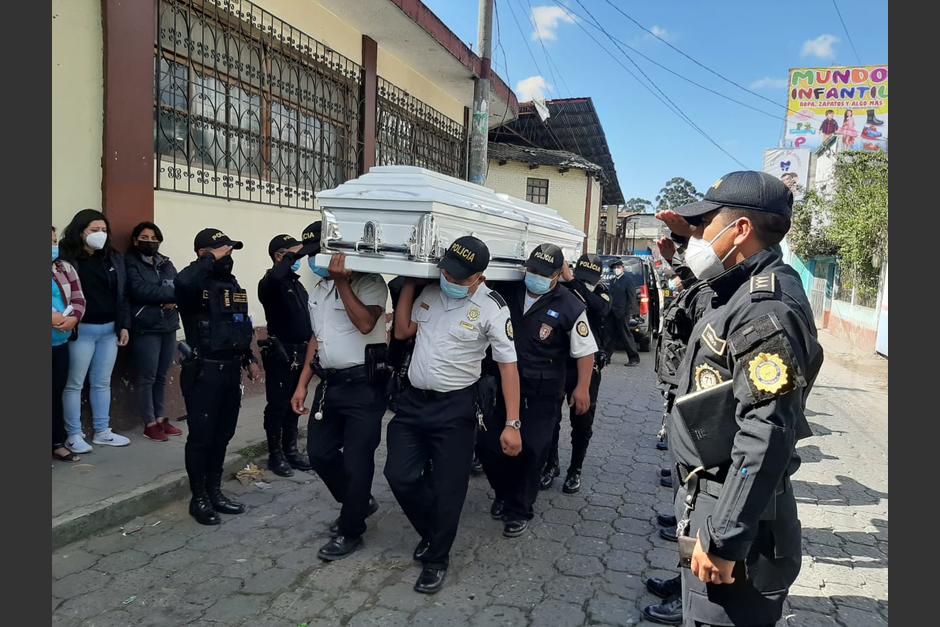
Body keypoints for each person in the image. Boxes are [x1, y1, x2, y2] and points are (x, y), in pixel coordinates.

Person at [666, 171, 824, 627]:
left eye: (707, 223)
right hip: (715, 496)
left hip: (738, 517)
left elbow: (766, 429)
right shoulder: (737, 289)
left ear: (740, 230)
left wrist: (725, 538)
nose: (700, 236)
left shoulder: (766, 307)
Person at [384, 236, 521, 594]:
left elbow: (508, 367)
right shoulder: (428, 293)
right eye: (446, 271)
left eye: (460, 277)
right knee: (399, 474)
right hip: (412, 403)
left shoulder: (493, 307)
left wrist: (512, 423)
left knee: (449, 487)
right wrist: (411, 284)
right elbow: (402, 332)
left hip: (456, 408)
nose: (450, 279)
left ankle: (437, 558)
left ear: (479, 277)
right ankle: (433, 531)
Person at [478, 244, 596, 538]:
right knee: (489, 446)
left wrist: (582, 387)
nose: (535, 277)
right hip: (501, 383)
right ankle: (503, 493)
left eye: (543, 273)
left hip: (542, 389)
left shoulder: (570, 304)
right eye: (532, 271)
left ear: (558, 274)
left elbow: (585, 352)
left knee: (531, 449)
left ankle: (520, 508)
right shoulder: (507, 291)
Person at [291, 246, 389, 561]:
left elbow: (365, 323)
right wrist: (303, 384)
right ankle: (358, 503)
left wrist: (343, 283)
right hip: (330, 383)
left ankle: (351, 529)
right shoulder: (319, 289)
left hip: (364, 386)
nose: (312, 262)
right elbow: (316, 339)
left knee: (357, 460)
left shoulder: (370, 282)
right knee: (319, 454)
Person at [175, 228, 261, 525]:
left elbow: (239, 325)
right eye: (223, 250)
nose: (229, 256)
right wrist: (209, 259)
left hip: (230, 370)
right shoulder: (193, 283)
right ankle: (198, 498)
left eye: (231, 251)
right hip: (204, 371)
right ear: (204, 253)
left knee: (223, 435)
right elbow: (181, 282)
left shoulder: (231, 283)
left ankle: (214, 491)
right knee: (201, 437)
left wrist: (248, 357)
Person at [59, 209, 131, 453]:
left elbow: (122, 295)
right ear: (81, 232)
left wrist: (124, 325)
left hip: (109, 330)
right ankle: (74, 435)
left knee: (102, 382)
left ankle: (102, 431)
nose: (100, 235)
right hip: (81, 331)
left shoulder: (111, 258)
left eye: (103, 230)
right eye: (94, 230)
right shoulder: (65, 259)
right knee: (74, 384)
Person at [540, 253, 611, 493]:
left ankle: (575, 469)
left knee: (582, 419)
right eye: (582, 277)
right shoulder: (562, 289)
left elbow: (600, 308)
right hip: (559, 363)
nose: (586, 282)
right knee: (550, 417)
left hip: (586, 366)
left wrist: (573, 282)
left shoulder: (599, 291)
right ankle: (551, 464)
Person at [258, 231, 316, 477]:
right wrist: (286, 261)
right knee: (278, 405)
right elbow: (275, 278)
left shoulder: (295, 283)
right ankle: (276, 454)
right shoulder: (271, 283)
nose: (299, 258)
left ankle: (290, 450)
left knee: (295, 402)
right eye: (293, 254)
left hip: (301, 351)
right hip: (281, 353)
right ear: (279, 256)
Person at [125, 221, 183, 442]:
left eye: (153, 238)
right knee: (147, 377)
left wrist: (173, 299)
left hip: (168, 325)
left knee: (161, 375)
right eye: (144, 238)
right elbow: (139, 290)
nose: (149, 242)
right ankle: (149, 423)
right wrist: (167, 296)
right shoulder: (130, 262)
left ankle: (160, 418)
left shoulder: (166, 263)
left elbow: (179, 287)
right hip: (146, 326)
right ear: (134, 240)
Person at [52, 226, 86, 462]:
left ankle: (55, 441)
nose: (54, 244)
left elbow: (78, 298)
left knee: (54, 394)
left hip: (59, 342)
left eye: (54, 240)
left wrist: (74, 318)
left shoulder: (64, 268)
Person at [607, 259, 641, 366]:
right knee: (609, 335)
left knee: (625, 335)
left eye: (618, 267)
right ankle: (606, 357)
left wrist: (628, 312)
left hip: (623, 313)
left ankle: (634, 358)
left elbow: (631, 297)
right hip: (612, 312)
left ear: (623, 268)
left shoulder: (628, 280)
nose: (616, 269)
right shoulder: (612, 281)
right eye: (614, 268)